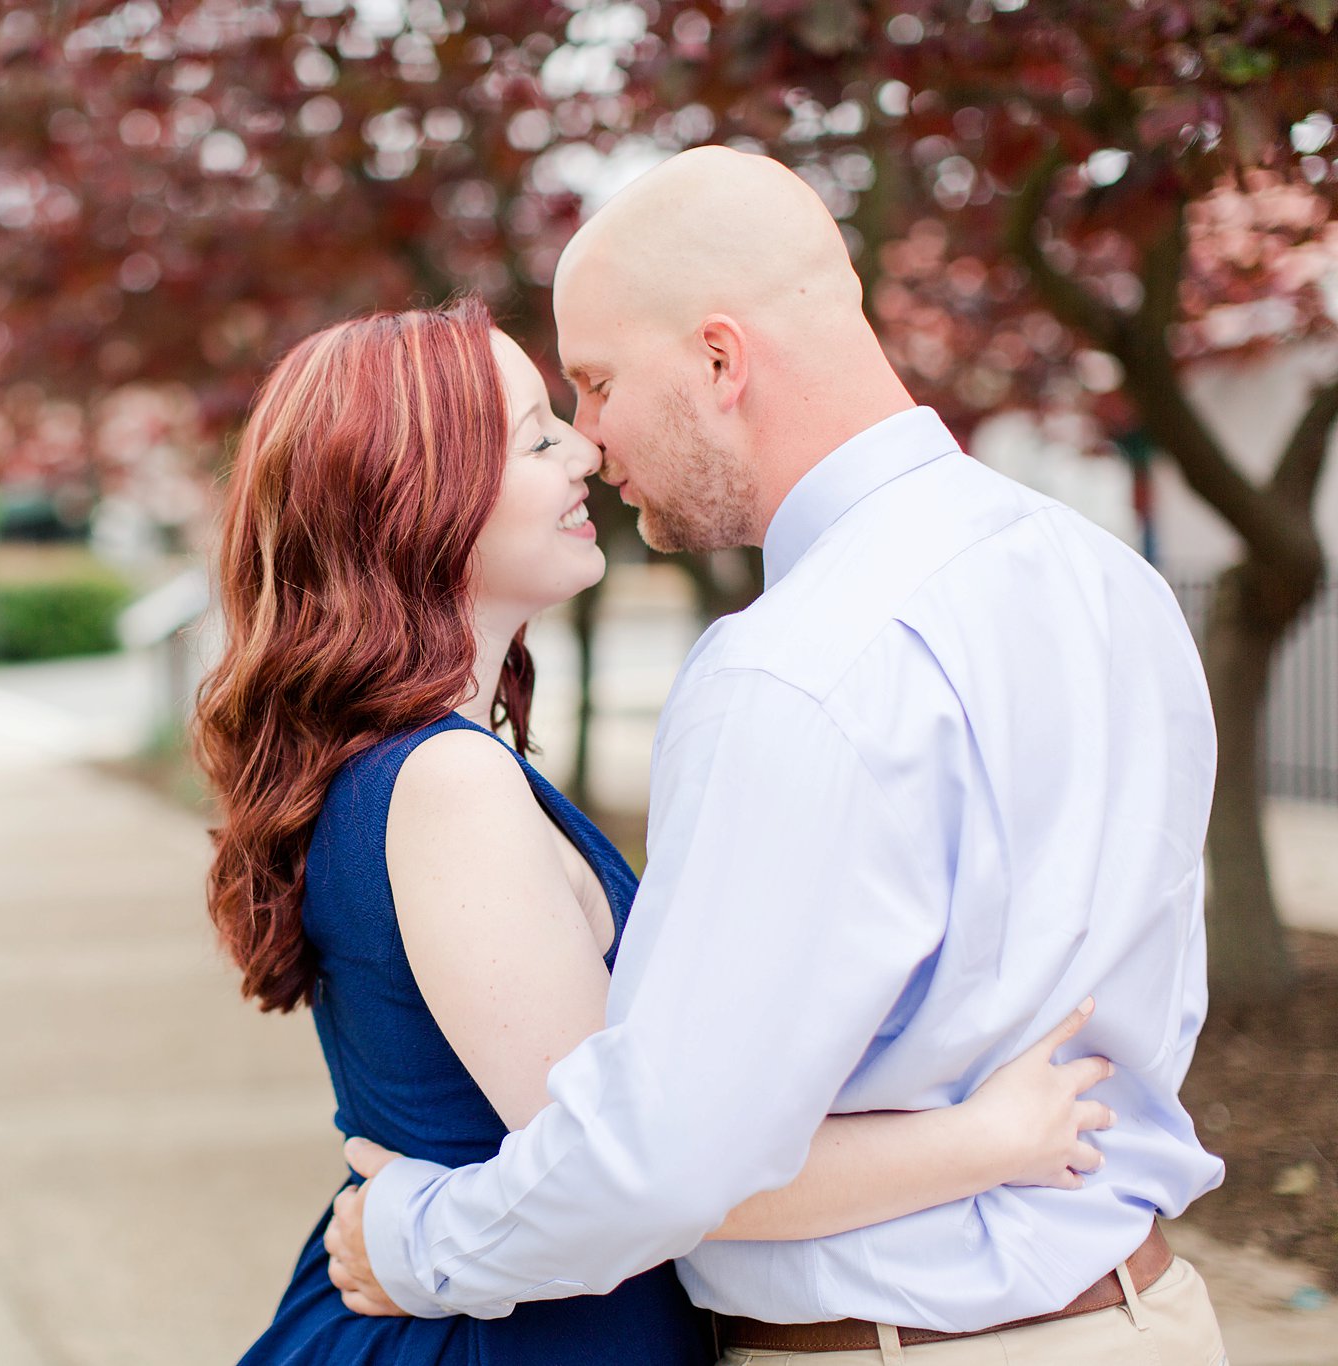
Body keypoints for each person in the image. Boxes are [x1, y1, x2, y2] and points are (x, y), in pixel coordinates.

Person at [322, 149, 1227, 1364]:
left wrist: (414, 1238)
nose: (589, 442)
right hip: (1146, 1315)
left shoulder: (794, 666)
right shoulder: (1107, 581)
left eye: (591, 385)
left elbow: (666, 1147)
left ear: (716, 359)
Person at [195, 297, 1122, 1365]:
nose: (583, 450)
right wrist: (988, 1139)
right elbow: (634, 1171)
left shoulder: (414, 767)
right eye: (536, 434)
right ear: (413, 497)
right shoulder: (445, 782)